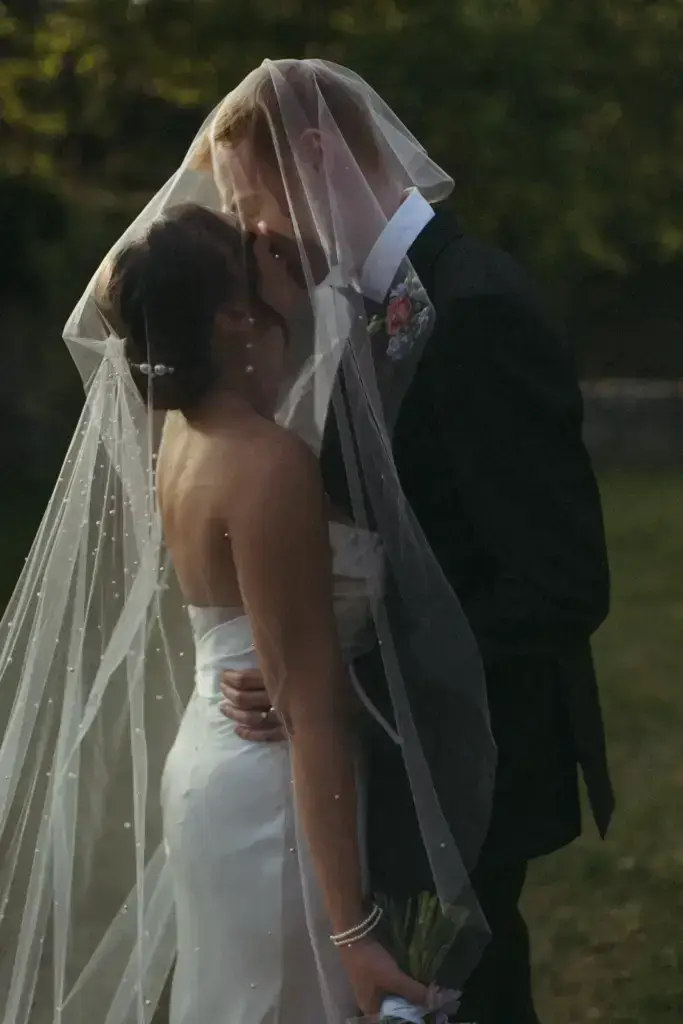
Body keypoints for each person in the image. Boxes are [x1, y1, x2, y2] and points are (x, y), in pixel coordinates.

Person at [0, 63, 494, 1024]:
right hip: (277, 802)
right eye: (263, 260)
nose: (288, 258)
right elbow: (314, 715)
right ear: (233, 318)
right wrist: (354, 939)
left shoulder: (186, 435)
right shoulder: (266, 465)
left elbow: (125, 286)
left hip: (209, 766)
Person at [206, 59, 615, 1023]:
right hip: (410, 766)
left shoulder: (475, 312)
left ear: (313, 157)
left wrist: (342, 674)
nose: (254, 231)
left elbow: (560, 583)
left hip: (476, 761)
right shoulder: (369, 302)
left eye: (253, 201)